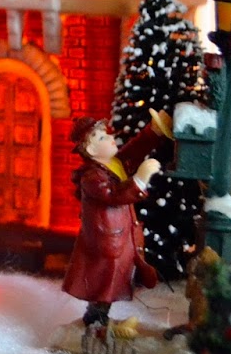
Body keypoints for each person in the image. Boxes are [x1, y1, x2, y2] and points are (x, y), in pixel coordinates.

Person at [61, 112, 170, 328]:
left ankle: (100, 317)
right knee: (104, 281)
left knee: (114, 279)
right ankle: (96, 318)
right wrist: (139, 180)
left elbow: (133, 151)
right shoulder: (92, 177)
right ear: (91, 150)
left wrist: (153, 132)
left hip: (120, 237)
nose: (111, 138)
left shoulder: (113, 163)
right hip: (106, 242)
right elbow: (114, 195)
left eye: (107, 133)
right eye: (102, 137)